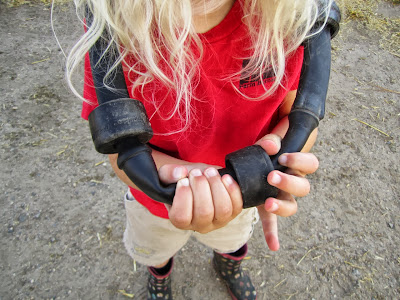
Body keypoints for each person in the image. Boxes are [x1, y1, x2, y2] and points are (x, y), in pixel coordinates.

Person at [66, 0, 329, 299]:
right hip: (151, 201)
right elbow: (118, 148)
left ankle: (229, 265)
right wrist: (161, 182)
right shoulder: (113, 32)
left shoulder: (284, 22)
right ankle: (160, 275)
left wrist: (275, 169)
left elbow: (296, 116)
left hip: (240, 196)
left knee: (232, 239)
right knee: (155, 250)